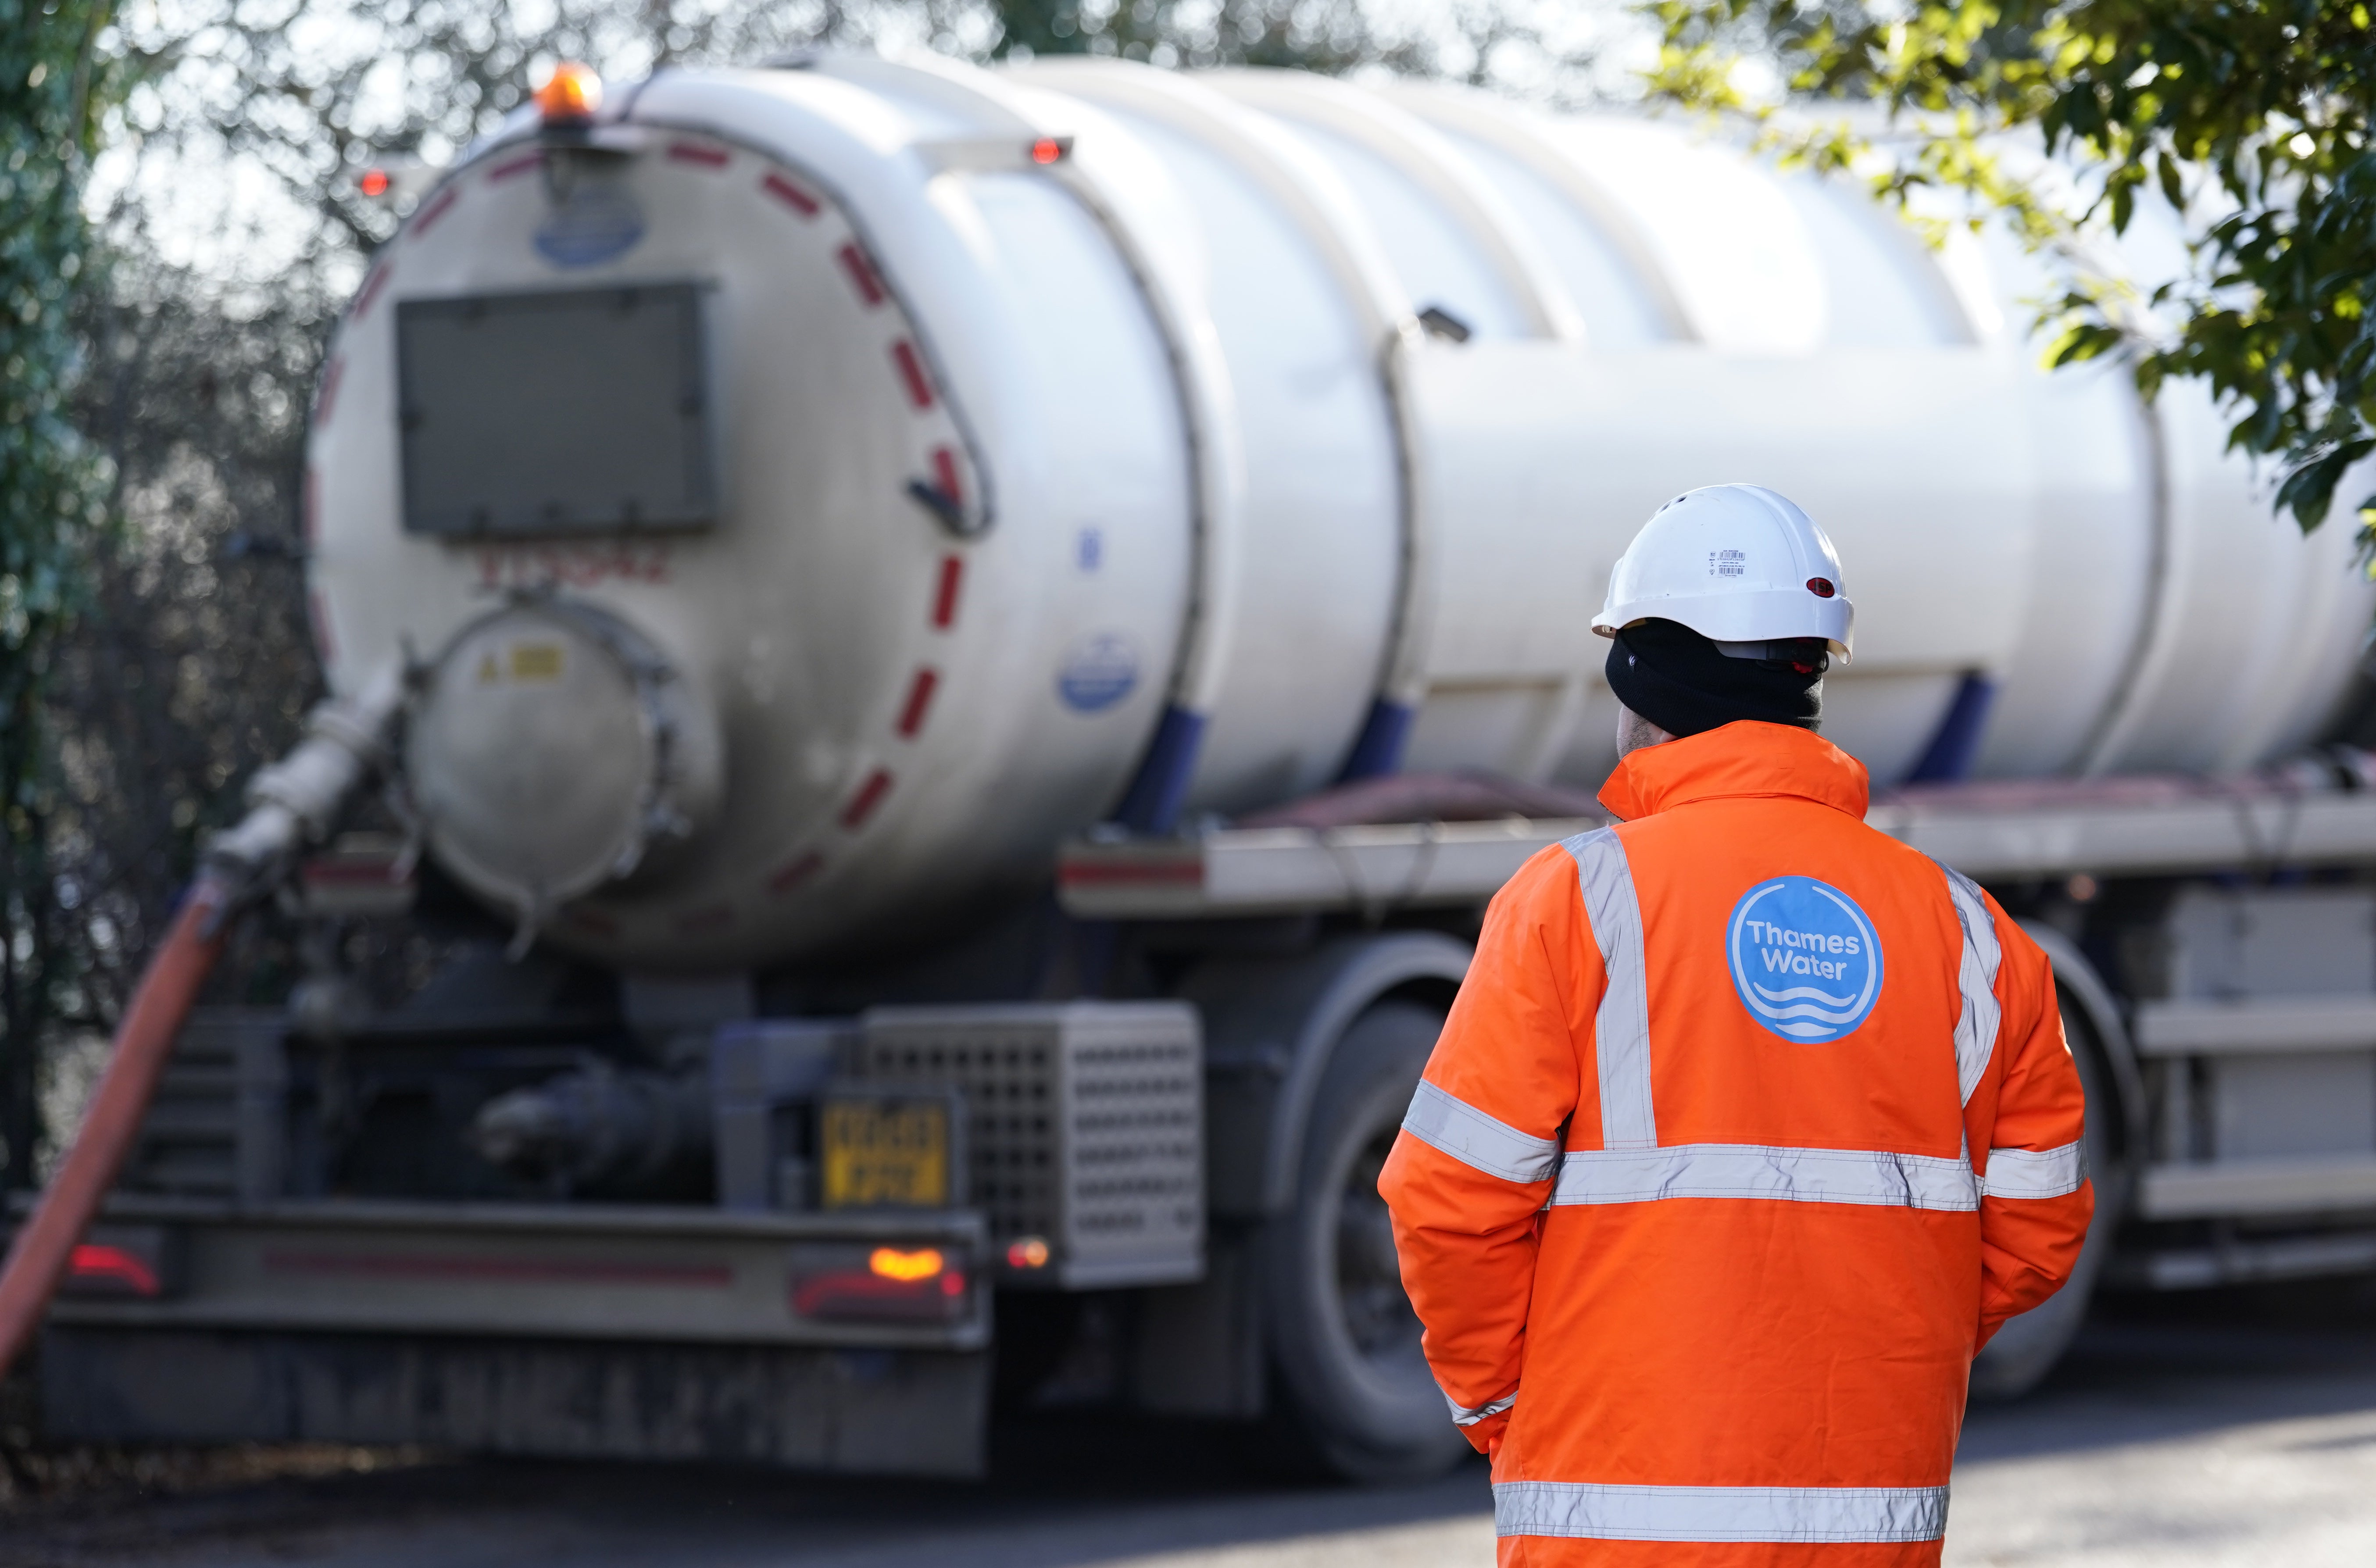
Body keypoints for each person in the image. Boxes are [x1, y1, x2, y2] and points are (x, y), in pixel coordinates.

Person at [1378, 484, 2093, 1566]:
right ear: (1808, 675)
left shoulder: (1575, 902)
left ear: (1640, 674)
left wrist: (1501, 1401)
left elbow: (1447, 1199)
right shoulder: (1968, 933)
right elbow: (2037, 1222)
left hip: (1612, 1521)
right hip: (1868, 1514)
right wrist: (1892, 1339)